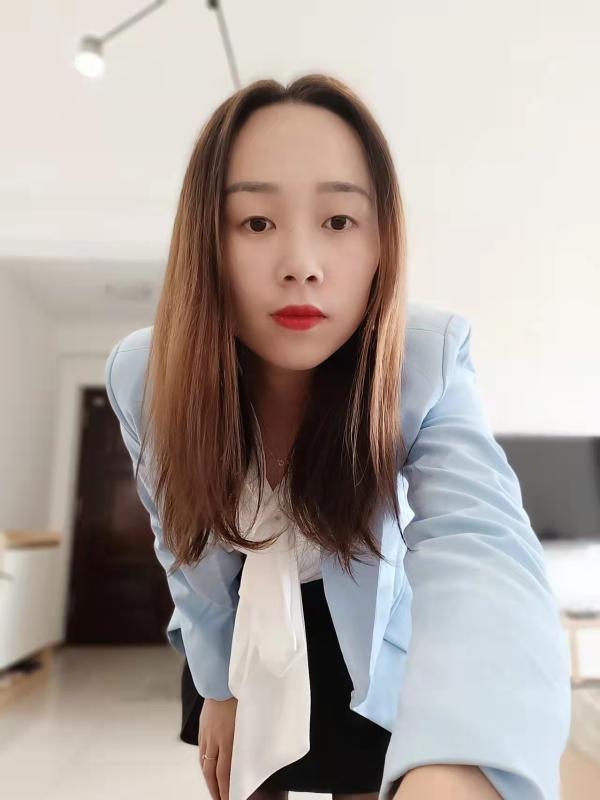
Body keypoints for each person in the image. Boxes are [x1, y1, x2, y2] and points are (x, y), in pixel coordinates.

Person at [105, 74, 571, 800]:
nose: (302, 264)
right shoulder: (146, 371)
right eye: (256, 223)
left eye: (339, 220)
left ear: (383, 240)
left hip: (360, 626)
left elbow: (482, 546)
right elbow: (186, 544)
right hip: (234, 622)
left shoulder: (424, 359)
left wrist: (464, 767)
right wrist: (219, 686)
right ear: (206, 242)